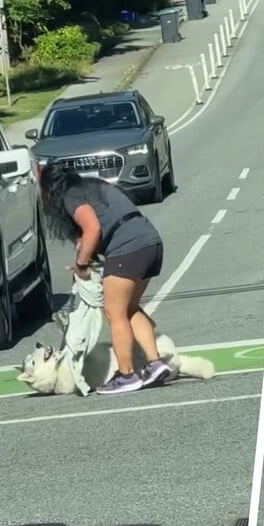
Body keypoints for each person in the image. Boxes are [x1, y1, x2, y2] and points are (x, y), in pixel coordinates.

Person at [38, 164, 172, 395]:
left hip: (127, 248)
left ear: (50, 190)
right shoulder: (93, 187)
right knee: (129, 309)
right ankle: (154, 363)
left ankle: (126, 374)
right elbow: (90, 235)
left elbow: (92, 229)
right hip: (149, 241)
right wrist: (84, 257)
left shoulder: (70, 197)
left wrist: (81, 265)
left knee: (113, 312)